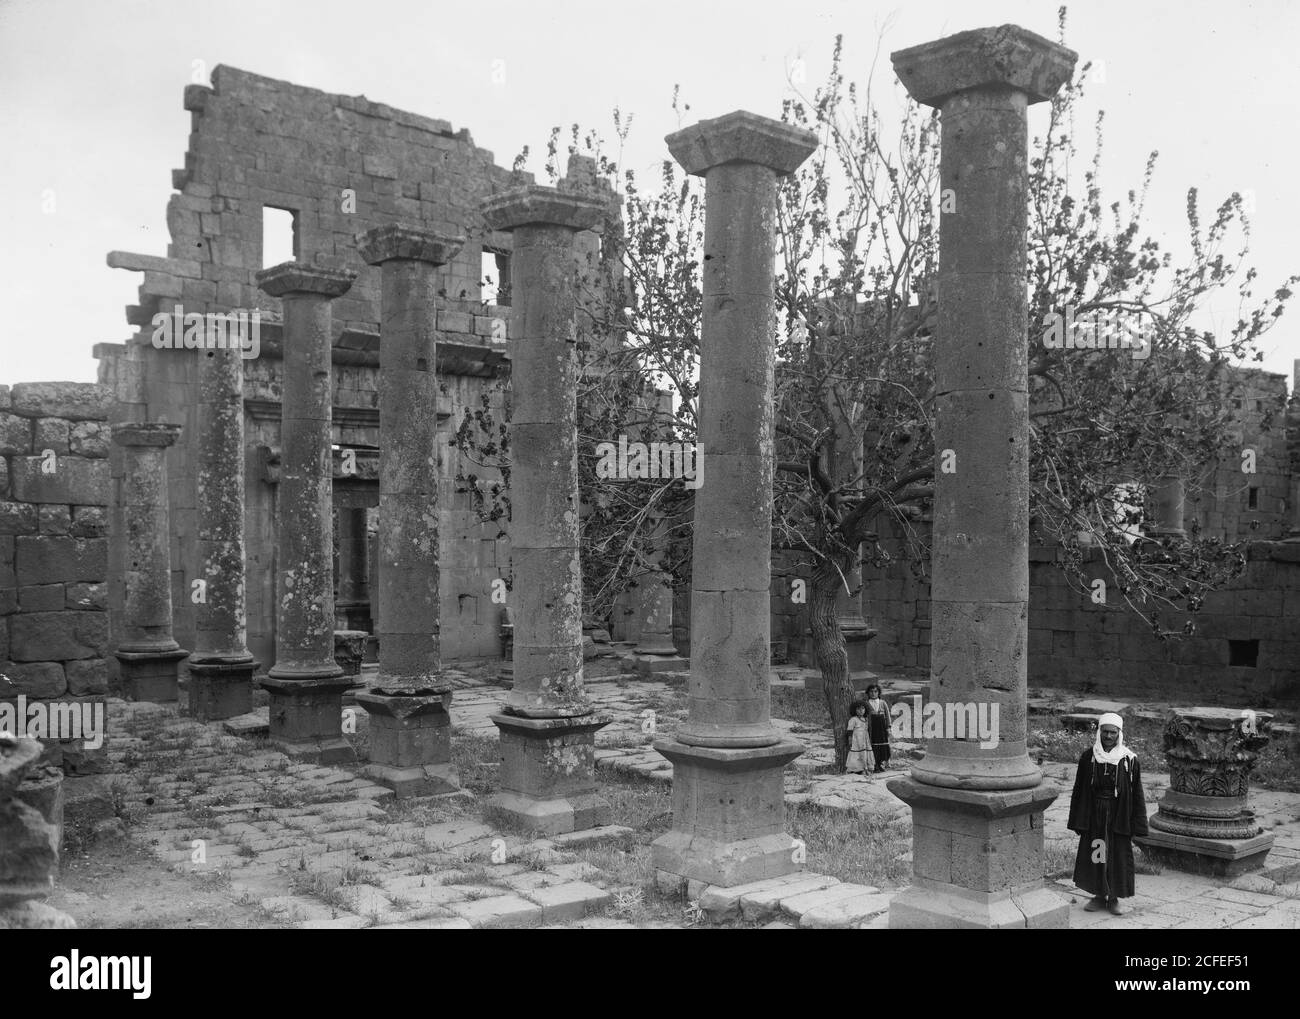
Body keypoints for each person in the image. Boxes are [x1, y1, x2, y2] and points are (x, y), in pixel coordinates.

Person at [1067, 712, 1149, 916]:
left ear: (1119, 734)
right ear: (1099, 732)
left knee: (1116, 855)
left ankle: (1113, 898)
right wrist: (1078, 820)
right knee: (1097, 854)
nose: (1109, 736)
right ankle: (1098, 895)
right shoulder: (1089, 758)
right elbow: (1079, 789)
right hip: (1096, 816)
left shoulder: (1129, 760)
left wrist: (1138, 824)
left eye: (1113, 732)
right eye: (1105, 732)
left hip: (1118, 816)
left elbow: (1137, 793)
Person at [865, 684, 891, 773]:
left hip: (882, 728)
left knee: (882, 746)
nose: (873, 693)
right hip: (872, 729)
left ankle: (880, 763)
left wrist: (888, 727)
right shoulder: (866, 703)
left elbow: (887, 715)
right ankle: (874, 764)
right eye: (871, 692)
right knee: (873, 746)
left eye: (875, 691)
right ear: (868, 693)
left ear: (878, 693)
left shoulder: (883, 703)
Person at [846, 700, 871, 775]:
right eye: (858, 709)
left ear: (865, 710)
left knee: (864, 753)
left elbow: (867, 729)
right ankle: (855, 769)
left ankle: (865, 768)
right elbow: (850, 730)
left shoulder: (865, 719)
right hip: (856, 740)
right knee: (856, 754)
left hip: (865, 739)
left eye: (862, 709)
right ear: (854, 710)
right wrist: (850, 739)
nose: (861, 711)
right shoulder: (853, 719)